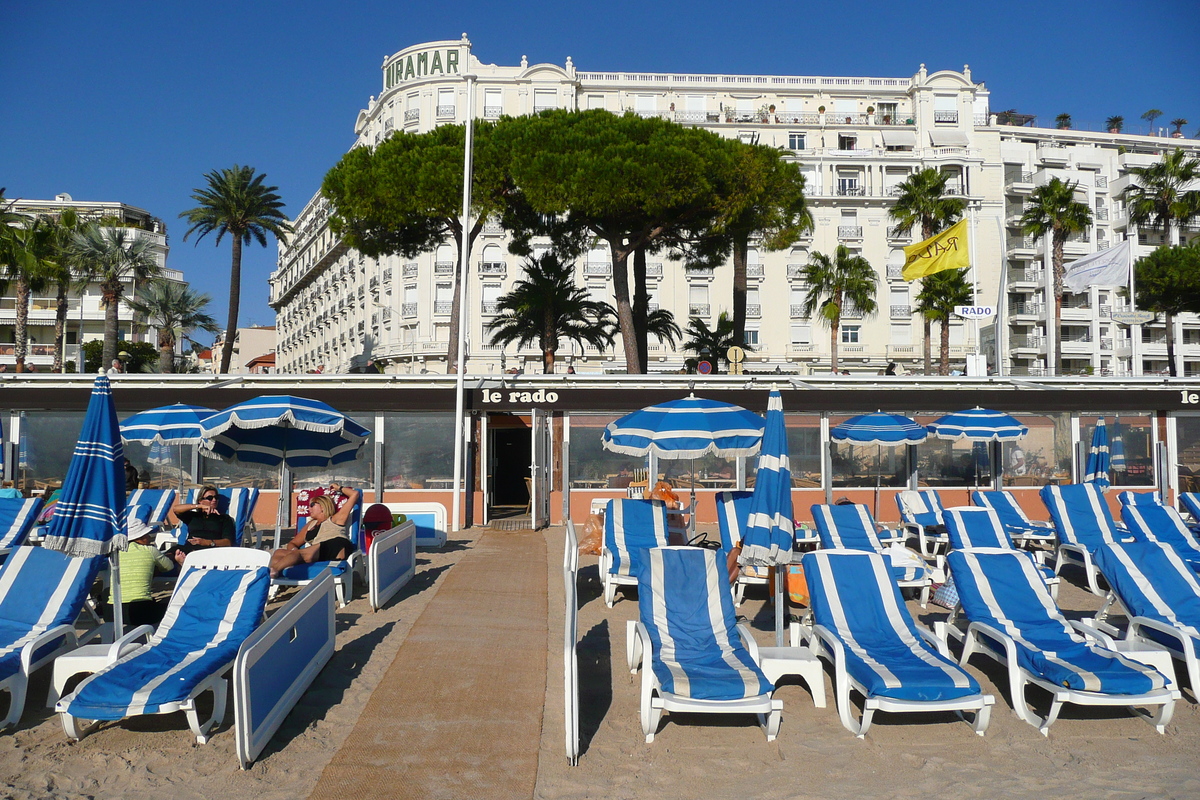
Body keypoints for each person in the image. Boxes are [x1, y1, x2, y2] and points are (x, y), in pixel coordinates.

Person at [269, 484, 361, 578]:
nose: (309, 509)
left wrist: (339, 488)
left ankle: (272, 571)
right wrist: (294, 551)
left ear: (323, 506)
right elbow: (293, 543)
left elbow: (355, 494)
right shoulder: (310, 524)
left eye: (312, 505)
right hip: (319, 553)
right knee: (278, 552)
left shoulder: (336, 518)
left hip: (336, 547)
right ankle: (278, 577)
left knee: (299, 554)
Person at [113, 516, 174, 628]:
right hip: (141, 613)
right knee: (173, 607)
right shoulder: (150, 550)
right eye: (146, 535)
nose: (149, 537)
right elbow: (169, 567)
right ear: (139, 537)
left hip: (112, 612)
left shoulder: (114, 553)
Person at [169, 485, 235, 565]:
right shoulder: (193, 516)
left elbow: (228, 542)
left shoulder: (224, 518)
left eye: (216, 497)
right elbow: (176, 509)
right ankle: (182, 563)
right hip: (188, 548)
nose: (214, 500)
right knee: (168, 554)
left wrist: (206, 542)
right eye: (210, 498)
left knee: (189, 555)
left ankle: (184, 564)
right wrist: (199, 506)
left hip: (210, 551)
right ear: (200, 500)